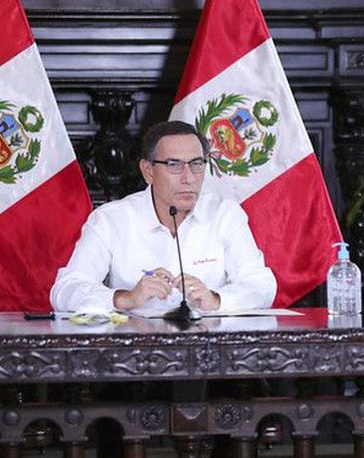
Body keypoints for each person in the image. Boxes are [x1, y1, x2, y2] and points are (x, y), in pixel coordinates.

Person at [51, 121, 276, 314]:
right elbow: (65, 290)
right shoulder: (110, 220)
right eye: (174, 165)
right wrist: (125, 298)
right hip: (134, 347)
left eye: (196, 164)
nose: (188, 178)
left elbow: (261, 285)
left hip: (207, 345)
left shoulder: (225, 214)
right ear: (148, 171)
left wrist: (216, 300)